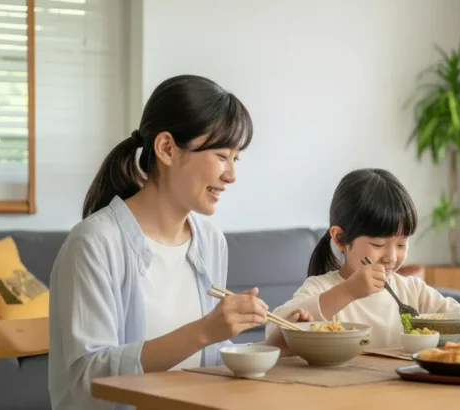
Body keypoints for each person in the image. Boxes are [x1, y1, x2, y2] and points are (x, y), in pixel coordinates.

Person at [48, 74, 308, 410]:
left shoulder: (210, 242)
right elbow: (87, 380)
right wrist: (203, 331)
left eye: (235, 158)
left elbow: (202, 362)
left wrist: (272, 347)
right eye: (221, 155)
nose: (231, 175)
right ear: (167, 148)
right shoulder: (95, 244)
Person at [266, 168, 460, 349]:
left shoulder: (410, 291)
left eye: (401, 244)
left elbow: (455, 316)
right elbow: (276, 333)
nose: (391, 256)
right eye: (377, 244)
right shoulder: (322, 288)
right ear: (340, 238)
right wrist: (349, 291)